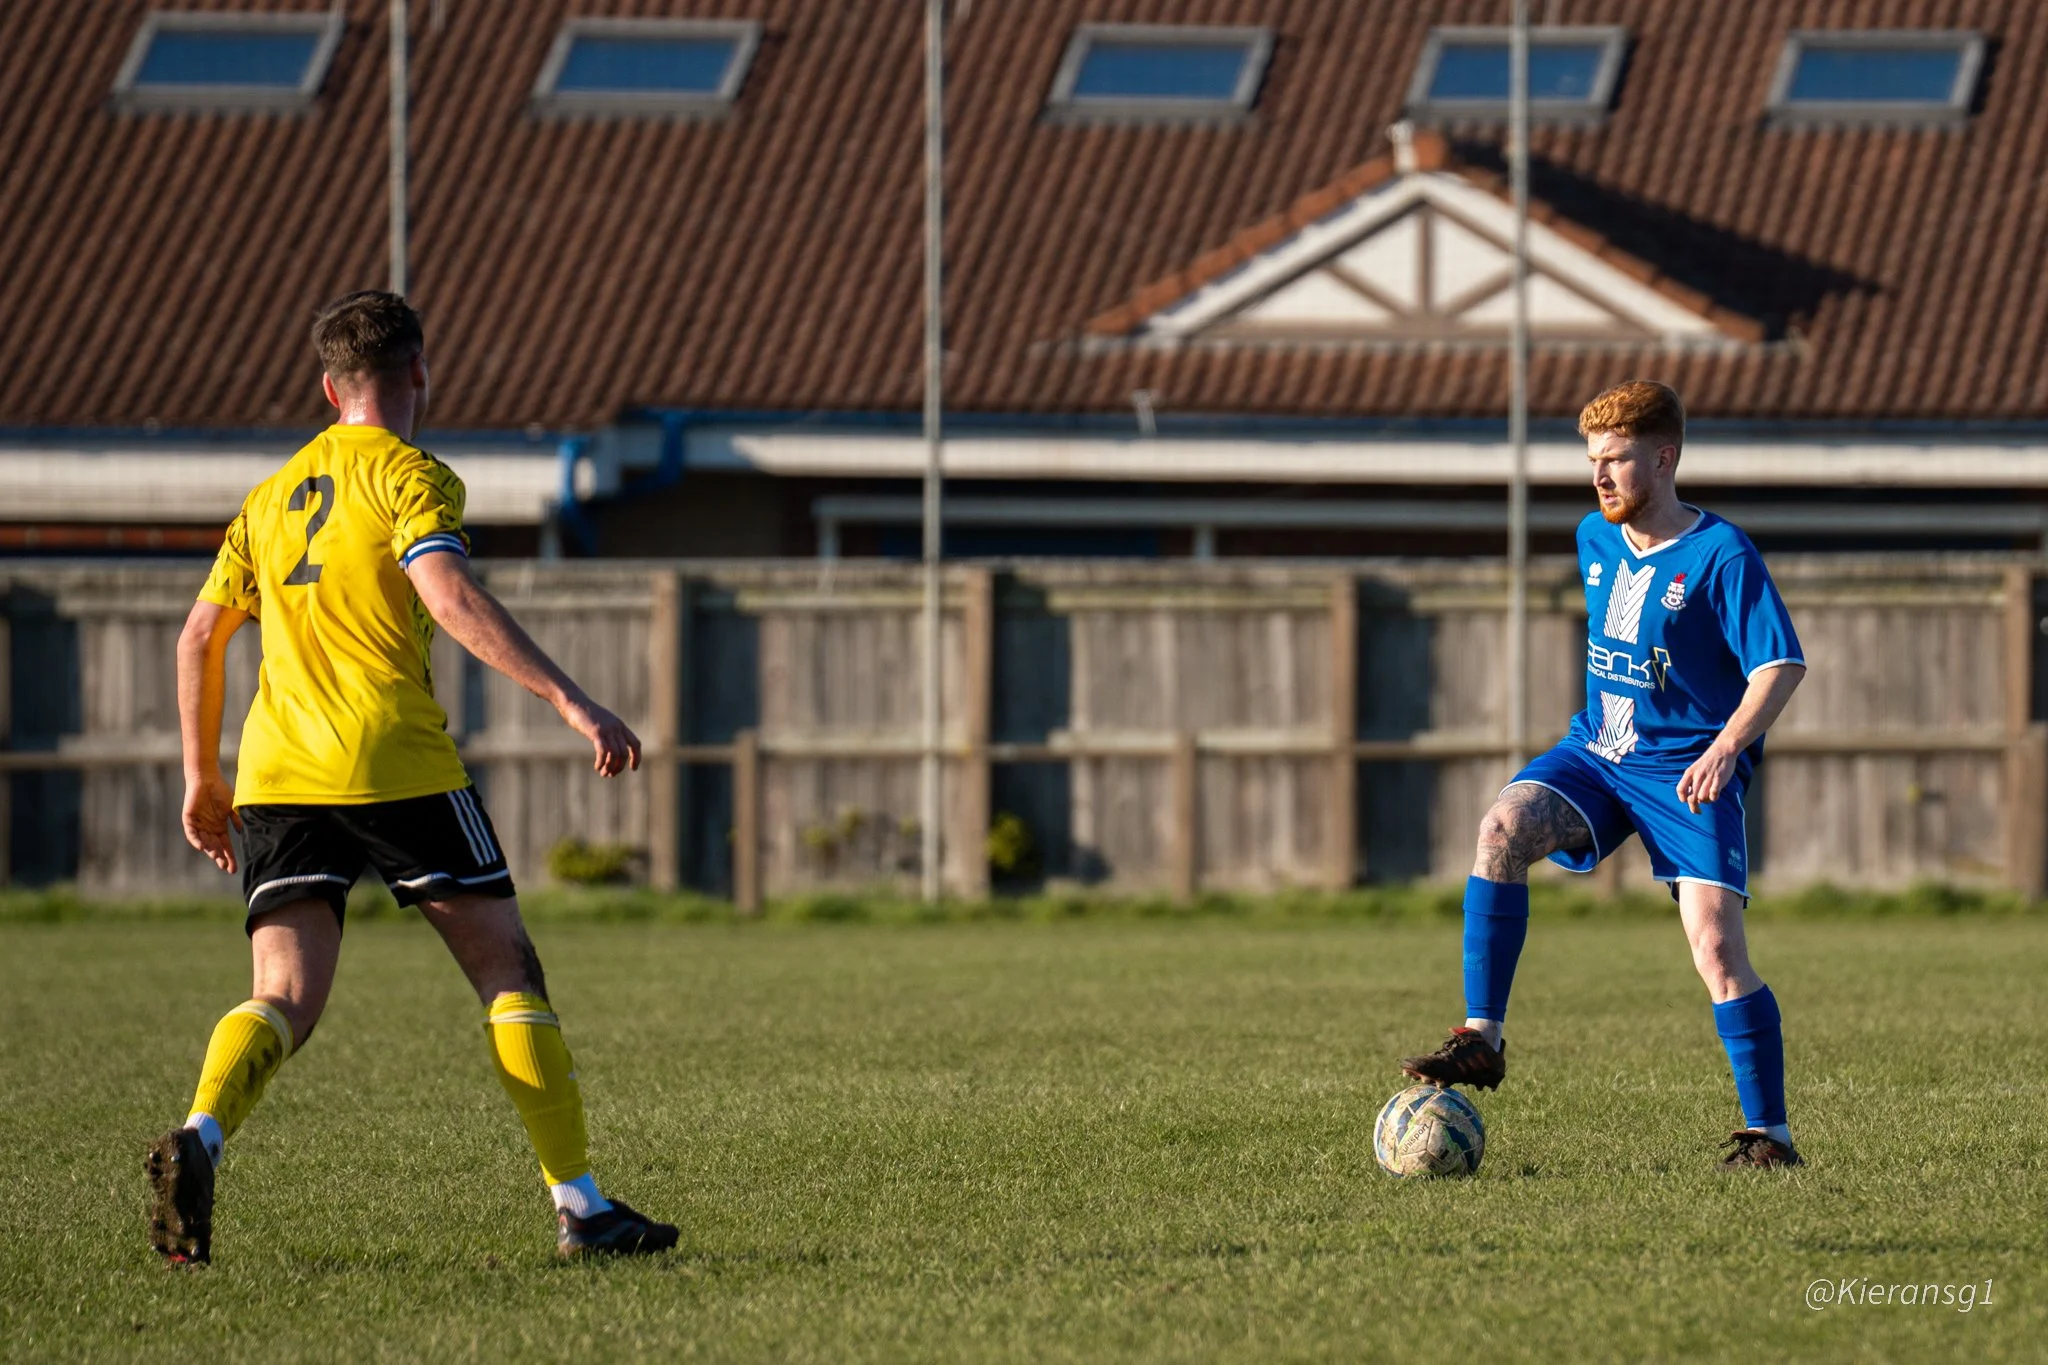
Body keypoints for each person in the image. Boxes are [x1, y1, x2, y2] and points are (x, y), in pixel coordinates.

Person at [148, 290, 678, 1262]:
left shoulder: (269, 499)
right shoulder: (410, 476)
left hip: (274, 773)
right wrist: (570, 700)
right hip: (394, 760)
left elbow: (197, 636)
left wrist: (199, 776)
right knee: (506, 975)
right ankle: (581, 1207)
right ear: (419, 373)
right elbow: (445, 590)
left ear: (326, 388)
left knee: (283, 998)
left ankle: (201, 1134)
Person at [1398, 379, 1808, 1170]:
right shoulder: (1595, 537)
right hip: (1597, 755)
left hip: (1685, 772)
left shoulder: (1721, 554)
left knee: (1718, 952)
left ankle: (1771, 1138)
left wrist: (1726, 747)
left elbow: (1781, 665)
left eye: (1616, 459)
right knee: (1500, 829)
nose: (1600, 476)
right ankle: (1482, 1037)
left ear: (1664, 456)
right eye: (1592, 460)